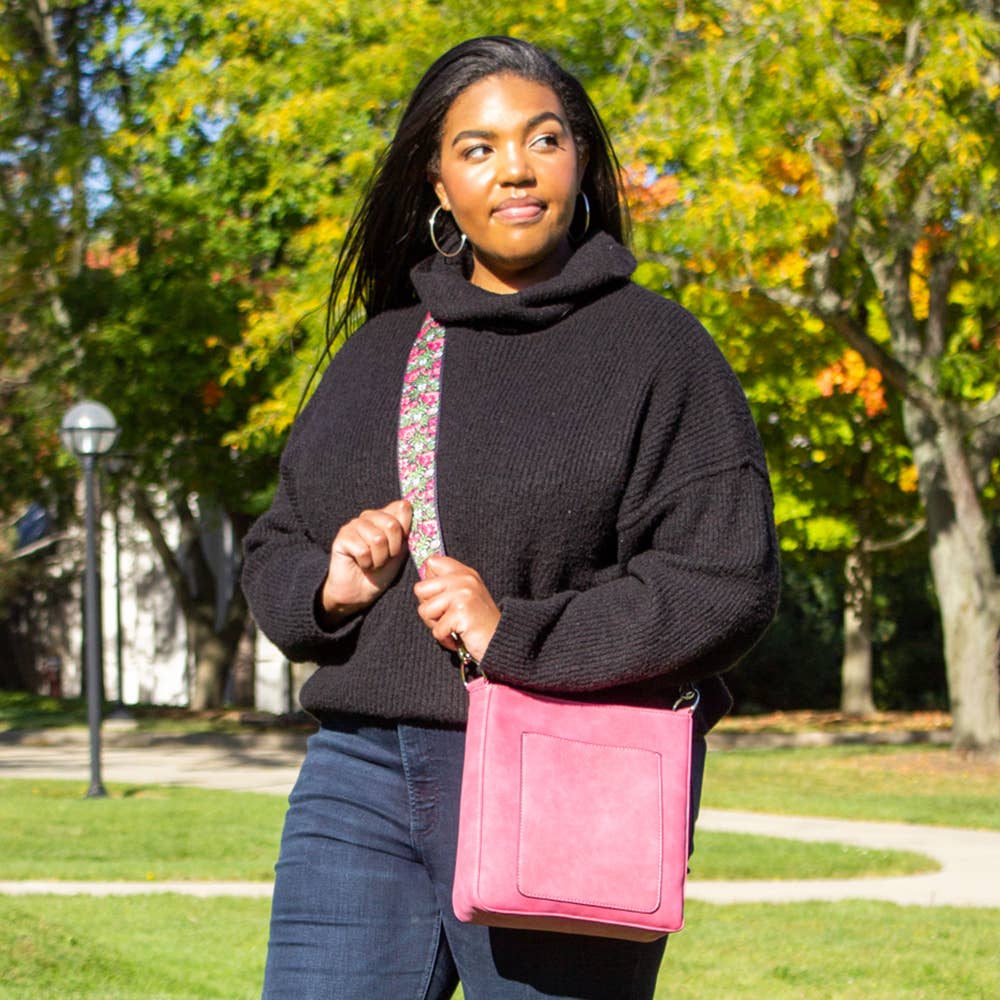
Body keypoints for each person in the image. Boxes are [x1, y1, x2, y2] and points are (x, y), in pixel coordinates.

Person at [242, 35, 780, 1000]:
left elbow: (723, 583)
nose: (517, 170)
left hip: (568, 776)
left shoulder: (660, 350)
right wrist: (331, 584)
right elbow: (275, 541)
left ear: (580, 160)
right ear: (440, 186)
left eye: (543, 139)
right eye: (479, 148)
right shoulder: (382, 352)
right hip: (357, 780)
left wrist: (514, 633)